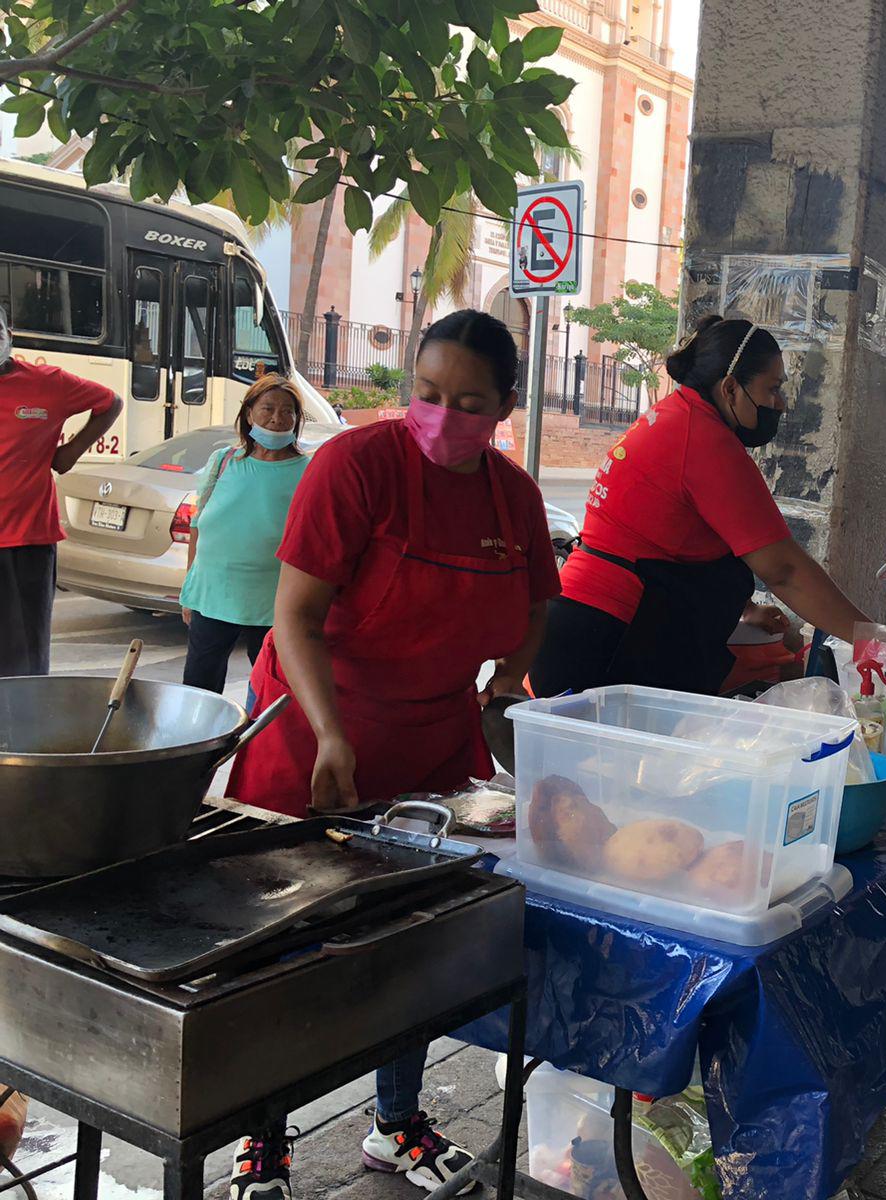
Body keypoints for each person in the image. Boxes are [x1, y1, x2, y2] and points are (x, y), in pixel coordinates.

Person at [225, 310, 562, 1199]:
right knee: (281, 948)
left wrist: (504, 687)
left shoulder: (512, 494)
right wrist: (332, 733)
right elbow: (292, 616)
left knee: (411, 941)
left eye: (470, 402)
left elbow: (536, 605)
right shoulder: (355, 465)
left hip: (431, 744)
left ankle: (395, 1121)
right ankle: (263, 1135)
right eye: (427, 394)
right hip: (311, 731)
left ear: (505, 407)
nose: (443, 415)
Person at [530, 315, 870, 697]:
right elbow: (785, 570)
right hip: (605, 641)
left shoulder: (678, 416)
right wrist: (873, 640)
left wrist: (746, 609)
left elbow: (682, 537)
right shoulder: (704, 440)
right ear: (730, 388)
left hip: (585, 626)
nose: (782, 404)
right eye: (772, 389)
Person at [0, 305, 123, 677]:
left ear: (9, 335)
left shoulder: (47, 384)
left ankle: (22, 732)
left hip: (27, 543)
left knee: (25, 659)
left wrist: (70, 452)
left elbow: (110, 402)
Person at [180, 375, 311, 697]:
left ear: (297, 420)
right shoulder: (223, 461)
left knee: (272, 687)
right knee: (199, 690)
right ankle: (204, 748)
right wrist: (189, 587)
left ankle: (260, 747)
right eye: (267, 408)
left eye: (288, 411)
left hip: (273, 601)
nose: (277, 418)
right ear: (249, 413)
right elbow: (199, 524)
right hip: (212, 593)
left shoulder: (309, 470)